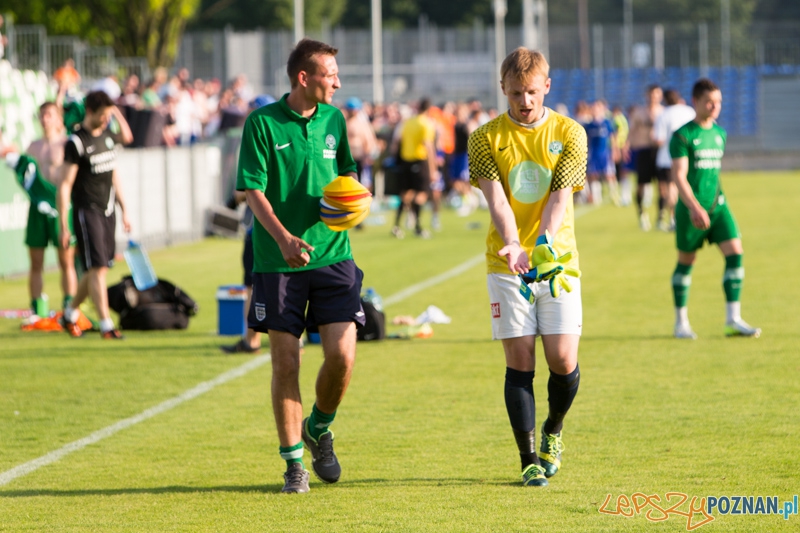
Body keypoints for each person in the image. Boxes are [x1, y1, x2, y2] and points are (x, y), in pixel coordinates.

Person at [236, 38, 364, 494]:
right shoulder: (262, 124)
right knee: (286, 363)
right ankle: (294, 466)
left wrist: (353, 200)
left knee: (342, 356)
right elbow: (252, 191)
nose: (338, 81)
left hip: (335, 257)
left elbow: (347, 174)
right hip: (277, 263)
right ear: (303, 78)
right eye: (331, 74)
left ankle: (319, 426)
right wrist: (284, 239)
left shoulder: (335, 118)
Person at [467, 47, 586, 487]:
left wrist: (541, 244)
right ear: (503, 89)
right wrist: (514, 245)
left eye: (532, 92)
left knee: (561, 358)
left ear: (546, 88)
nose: (524, 101)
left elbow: (560, 196)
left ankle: (554, 429)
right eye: (516, 92)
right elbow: (495, 198)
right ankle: (528, 458)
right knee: (520, 361)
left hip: (558, 261)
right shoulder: (484, 137)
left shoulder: (570, 132)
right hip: (505, 262)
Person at [669, 78, 760, 340]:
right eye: (709, 101)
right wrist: (695, 207)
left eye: (718, 102)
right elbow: (679, 176)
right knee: (686, 263)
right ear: (695, 101)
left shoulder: (720, 134)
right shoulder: (683, 135)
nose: (714, 106)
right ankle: (681, 323)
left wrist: (712, 204)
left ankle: (733, 319)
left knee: (736, 253)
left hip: (718, 206)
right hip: (691, 210)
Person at [57, 90, 131, 339]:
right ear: (89, 112)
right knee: (98, 268)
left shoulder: (108, 136)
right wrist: (64, 225)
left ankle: (69, 313)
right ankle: (106, 325)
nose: (106, 119)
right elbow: (65, 185)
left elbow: (125, 143)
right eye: (103, 114)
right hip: (87, 211)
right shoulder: (76, 142)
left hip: (108, 209)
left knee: (96, 269)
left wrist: (124, 208)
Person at [10, 102, 78, 321]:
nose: (44, 119)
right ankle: (37, 309)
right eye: (41, 115)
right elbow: (26, 174)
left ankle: (70, 306)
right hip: (37, 209)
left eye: (49, 115)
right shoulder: (34, 146)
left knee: (66, 260)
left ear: (58, 118)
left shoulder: (67, 144)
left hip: (60, 207)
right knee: (36, 261)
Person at [392, 98, 437, 239]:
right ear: (429, 109)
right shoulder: (425, 124)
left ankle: (397, 226)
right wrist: (433, 169)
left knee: (406, 194)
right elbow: (428, 146)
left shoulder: (408, 122)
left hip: (406, 161)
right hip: (419, 160)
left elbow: (398, 141)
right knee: (421, 194)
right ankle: (418, 227)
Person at [653, 89, 695, 232]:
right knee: (685, 185)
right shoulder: (689, 111)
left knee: (671, 188)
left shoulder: (663, 114)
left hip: (667, 157)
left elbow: (659, 139)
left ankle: (673, 218)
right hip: (687, 156)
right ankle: (685, 216)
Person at [628, 84, 664, 231]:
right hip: (643, 151)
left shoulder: (663, 112)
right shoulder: (638, 112)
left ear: (660, 96)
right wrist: (627, 146)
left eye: (656, 94)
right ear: (646, 95)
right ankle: (642, 215)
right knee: (641, 185)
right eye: (651, 94)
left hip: (660, 152)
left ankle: (661, 217)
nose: (653, 97)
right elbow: (632, 131)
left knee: (663, 186)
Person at [583, 100, 619, 206]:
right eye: (593, 108)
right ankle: (596, 197)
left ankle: (614, 195)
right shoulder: (589, 125)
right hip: (593, 153)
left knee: (610, 174)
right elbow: (587, 140)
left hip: (605, 153)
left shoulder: (607, 123)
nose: (595, 110)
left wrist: (615, 150)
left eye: (597, 108)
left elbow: (612, 137)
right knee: (593, 174)